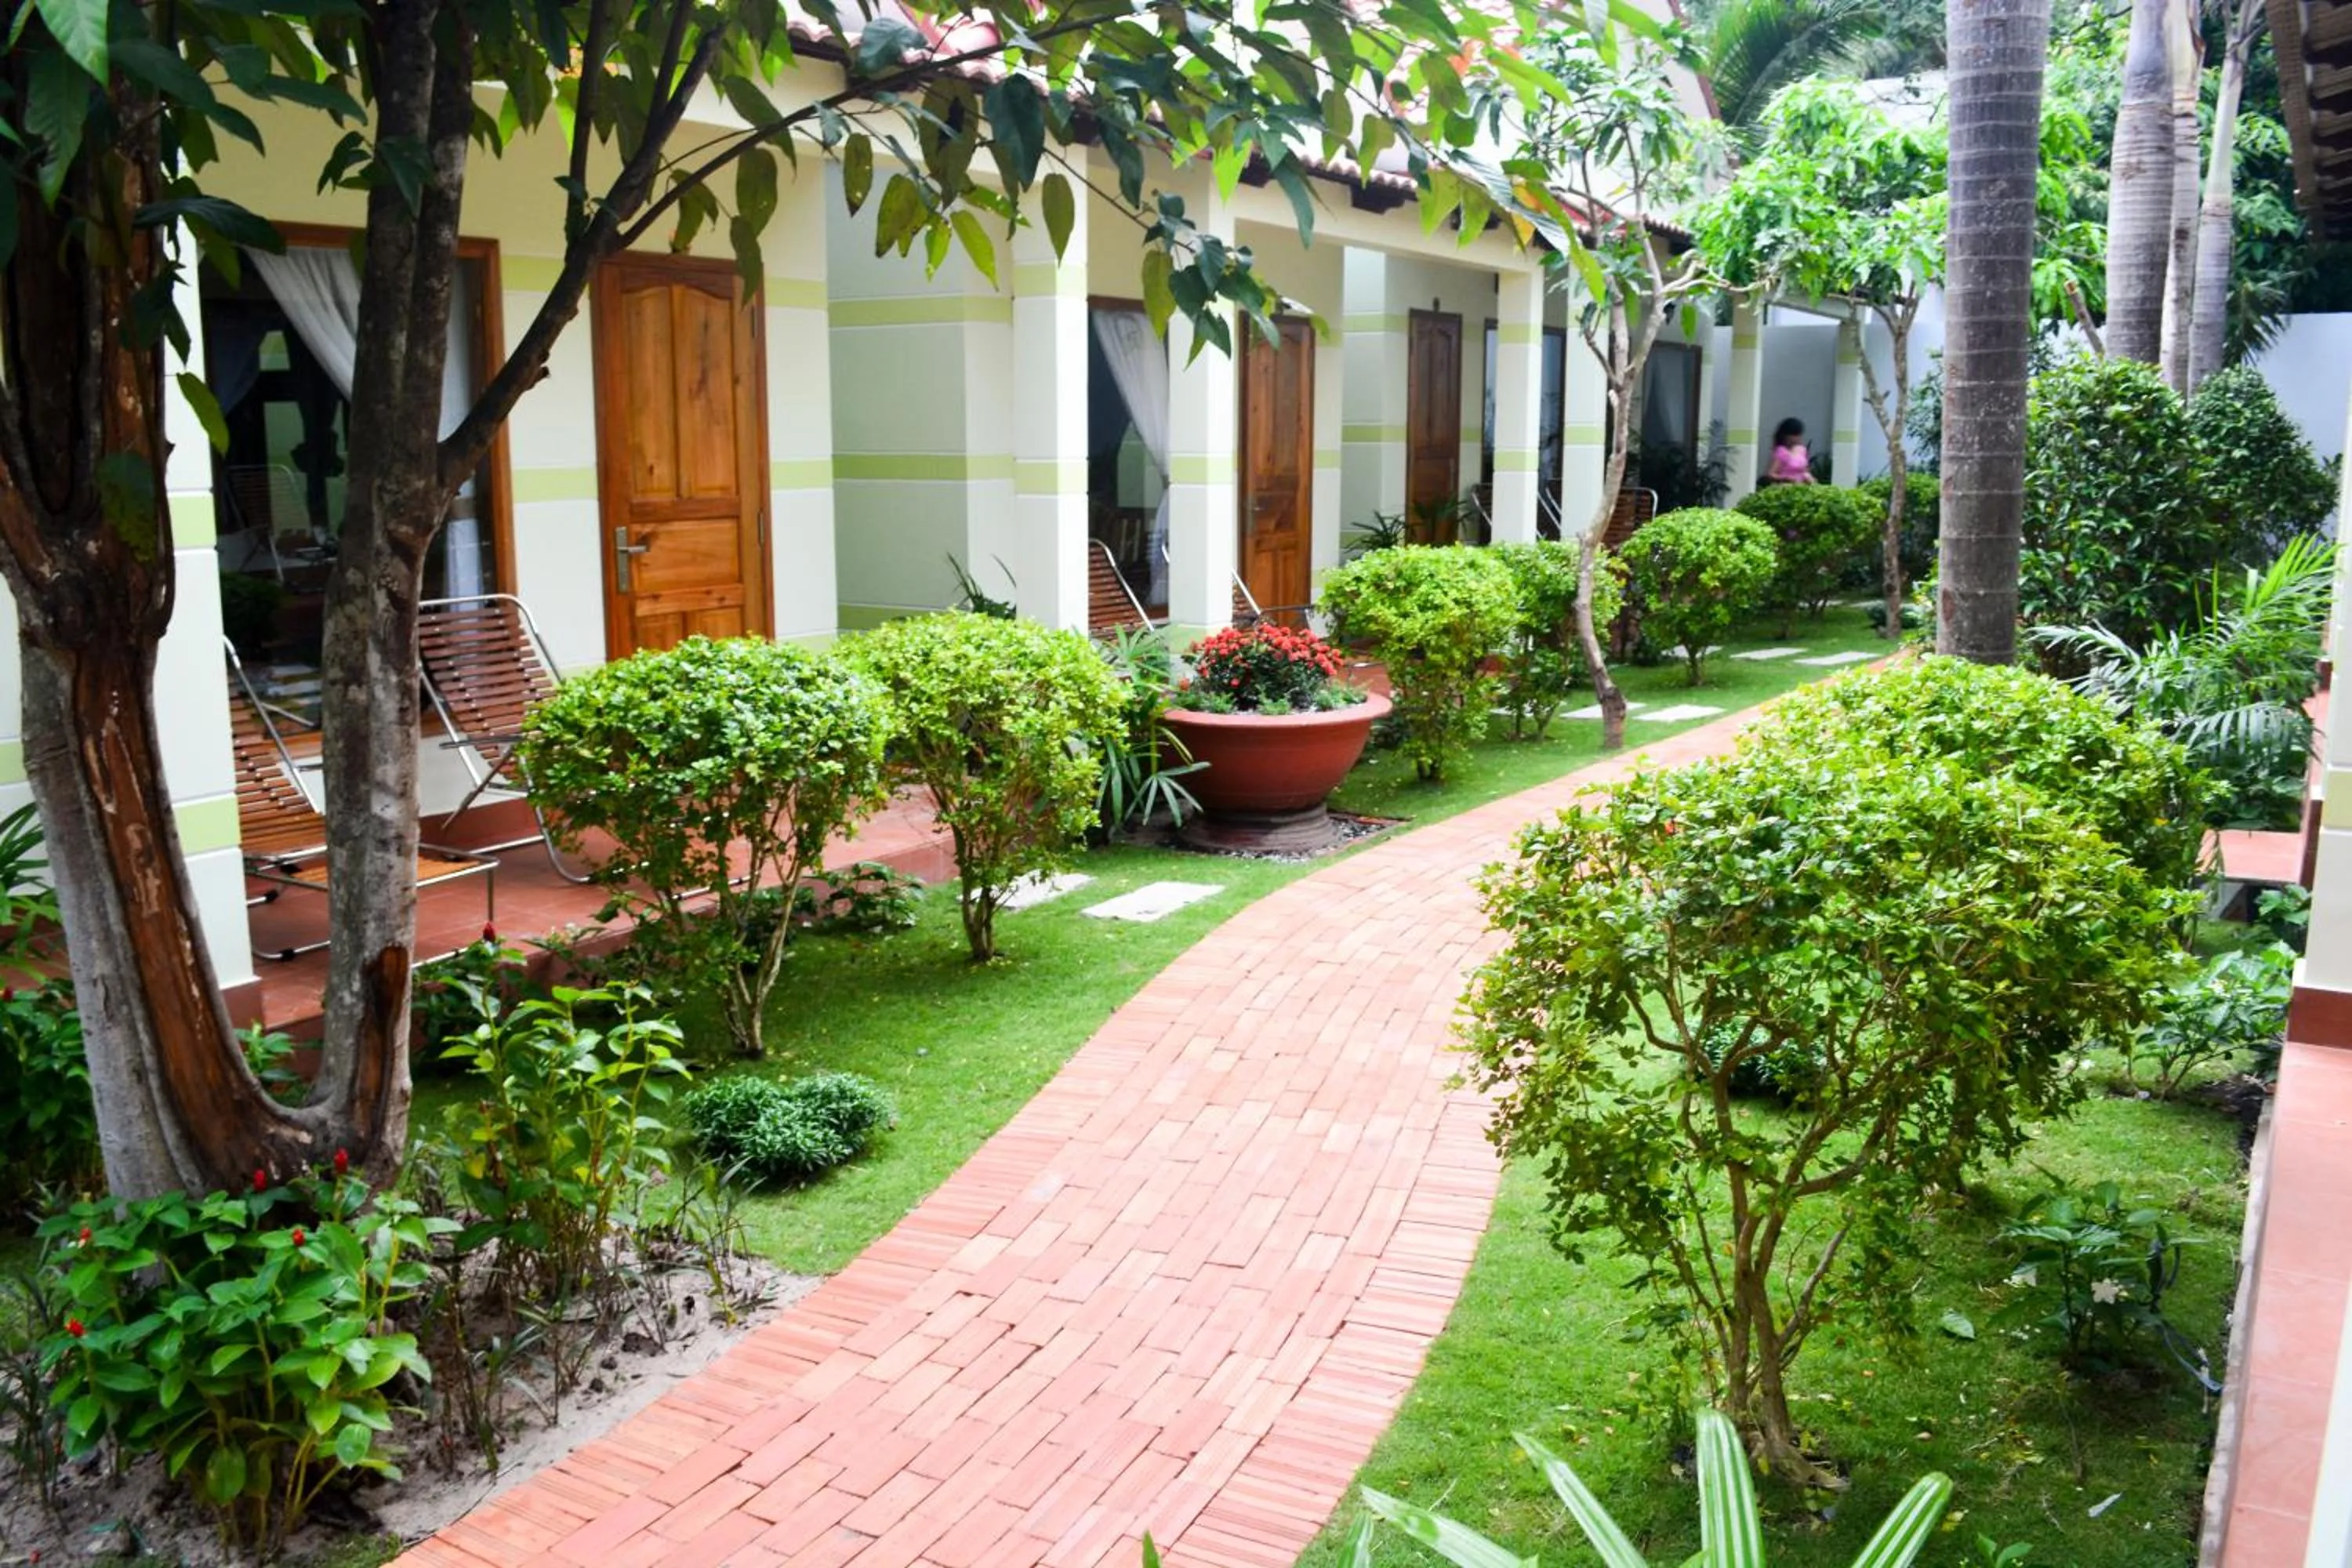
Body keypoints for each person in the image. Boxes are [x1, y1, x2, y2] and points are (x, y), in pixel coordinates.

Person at [1766, 417, 1814, 485]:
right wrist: (1785, 478)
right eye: (1794, 435)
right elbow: (1770, 474)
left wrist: (1808, 477)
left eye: (1799, 435)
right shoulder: (1781, 451)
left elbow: (1805, 470)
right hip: (1786, 486)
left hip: (1801, 486)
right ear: (1786, 436)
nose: (1797, 438)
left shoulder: (1802, 450)